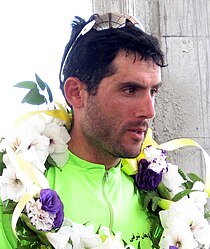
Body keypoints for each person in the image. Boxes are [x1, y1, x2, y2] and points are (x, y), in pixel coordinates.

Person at [0, 12, 165, 248]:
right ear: (76, 93)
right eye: (130, 90)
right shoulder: (18, 197)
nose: (149, 111)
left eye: (153, 92)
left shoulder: (164, 196)